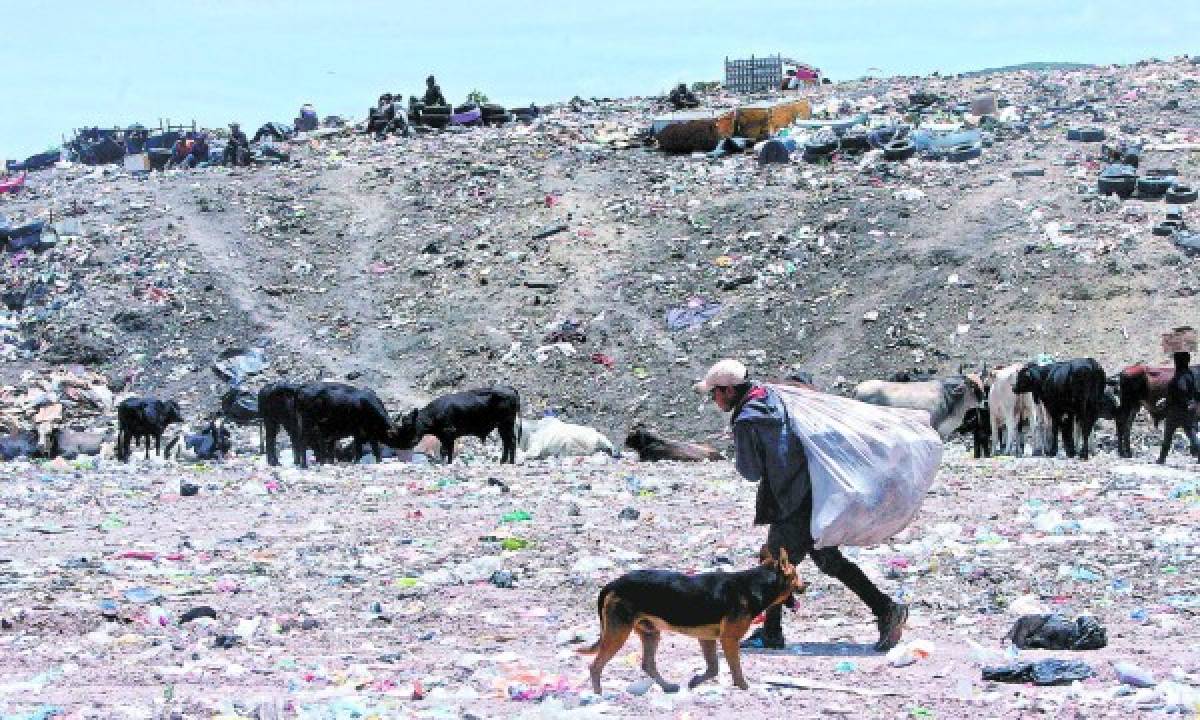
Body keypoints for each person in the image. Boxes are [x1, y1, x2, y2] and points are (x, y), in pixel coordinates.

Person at [695, 359, 909, 651]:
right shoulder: (771, 396)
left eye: (715, 393)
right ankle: (885, 609)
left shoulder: (747, 418)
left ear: (729, 390)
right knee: (828, 561)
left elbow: (751, 472)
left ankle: (773, 632)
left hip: (791, 500)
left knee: (774, 566)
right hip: (817, 490)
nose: (714, 399)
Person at [1157, 351, 1200, 464]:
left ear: (1178, 362)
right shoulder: (1191, 374)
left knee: (1168, 435)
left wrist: (1168, 402)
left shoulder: (1180, 376)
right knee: (1191, 434)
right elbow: (1195, 393)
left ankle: (1162, 458)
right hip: (1188, 410)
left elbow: (1181, 391)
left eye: (1176, 360)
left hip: (1176, 411)